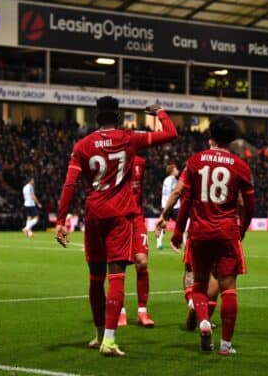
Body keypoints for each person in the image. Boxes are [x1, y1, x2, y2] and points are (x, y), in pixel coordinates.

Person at [54, 97, 177, 357]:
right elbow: (171, 133)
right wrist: (159, 113)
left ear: (96, 116)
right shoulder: (129, 138)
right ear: (118, 116)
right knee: (117, 276)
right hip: (120, 215)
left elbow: (69, 185)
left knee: (95, 279)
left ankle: (99, 335)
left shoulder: (82, 146)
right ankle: (109, 340)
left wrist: (60, 220)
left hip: (95, 214)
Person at [161, 115, 254, 355]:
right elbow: (249, 204)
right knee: (229, 288)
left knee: (199, 283)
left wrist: (178, 231)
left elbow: (187, 199)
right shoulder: (240, 165)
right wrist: (242, 228)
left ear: (210, 136)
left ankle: (203, 321)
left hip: (200, 232)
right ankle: (225, 345)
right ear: (232, 139)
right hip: (226, 232)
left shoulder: (194, 161)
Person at [157, 180, 220, 332]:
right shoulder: (231, 165)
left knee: (191, 270)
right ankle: (205, 320)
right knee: (214, 274)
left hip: (198, 227)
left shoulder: (194, 165)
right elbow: (241, 199)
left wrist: (164, 215)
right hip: (220, 228)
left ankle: (193, 302)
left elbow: (178, 193)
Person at [118, 154, 155, 328]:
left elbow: (140, 192)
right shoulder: (114, 161)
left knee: (142, 262)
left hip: (136, 217)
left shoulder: (141, 162)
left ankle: (142, 311)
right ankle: (120, 311)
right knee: (119, 265)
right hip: (118, 219)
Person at [155, 163, 180, 249]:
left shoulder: (170, 180)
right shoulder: (171, 180)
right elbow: (169, 194)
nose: (178, 171)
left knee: (165, 224)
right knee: (164, 224)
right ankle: (159, 243)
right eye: (176, 169)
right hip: (170, 205)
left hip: (172, 205)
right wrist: (166, 206)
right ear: (172, 171)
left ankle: (179, 242)